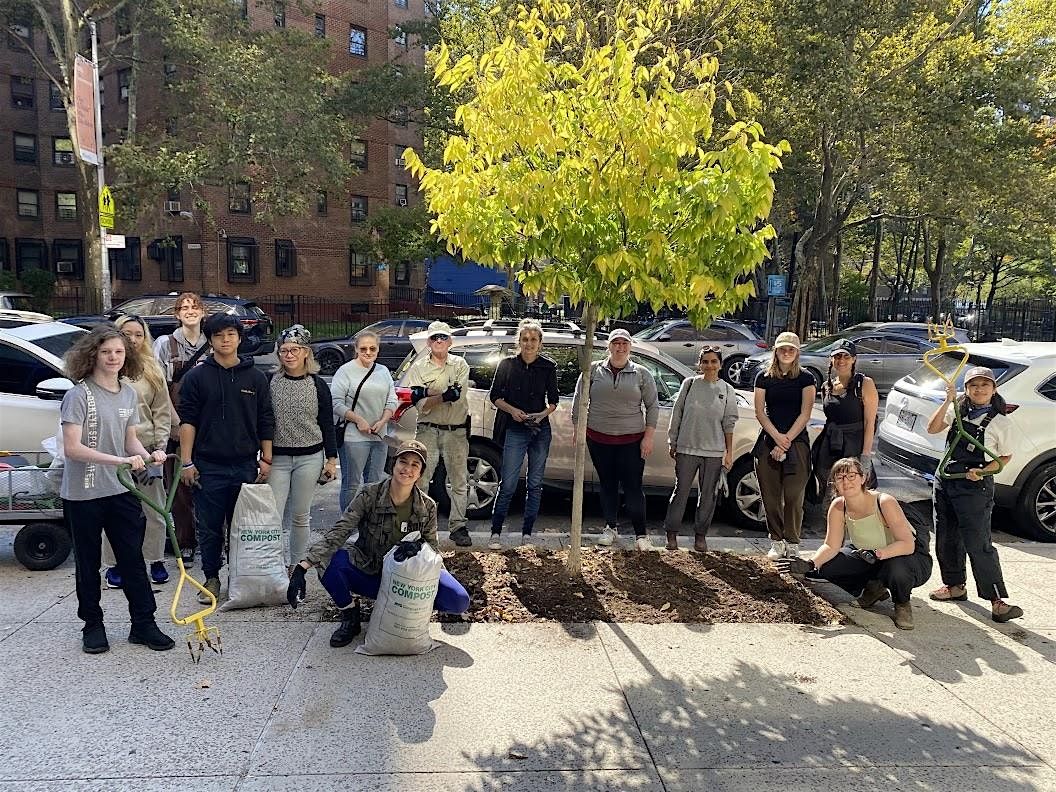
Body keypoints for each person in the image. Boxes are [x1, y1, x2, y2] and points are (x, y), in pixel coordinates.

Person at [286, 440, 470, 647]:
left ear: (420, 473)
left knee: (458, 600)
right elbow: (341, 530)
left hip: (406, 580)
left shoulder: (427, 506)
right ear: (393, 464)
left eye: (414, 465)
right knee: (330, 562)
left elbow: (433, 548)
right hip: (371, 572)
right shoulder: (369, 495)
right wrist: (303, 567)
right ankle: (350, 615)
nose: (407, 469)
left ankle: (409, 610)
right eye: (403, 461)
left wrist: (419, 549)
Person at [60, 327, 174, 654]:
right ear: (93, 354)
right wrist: (121, 460)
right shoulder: (78, 395)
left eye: (119, 352)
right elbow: (72, 448)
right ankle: (93, 625)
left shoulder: (127, 393)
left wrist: (148, 453)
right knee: (88, 562)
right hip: (82, 495)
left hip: (120, 490)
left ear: (128, 357)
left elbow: (130, 441)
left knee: (132, 559)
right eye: (107, 351)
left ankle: (144, 624)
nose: (113, 357)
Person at [178, 313, 275, 605]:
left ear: (239, 338)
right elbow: (188, 421)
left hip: (245, 464)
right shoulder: (197, 377)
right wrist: (186, 462)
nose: (226, 340)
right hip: (208, 466)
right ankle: (211, 577)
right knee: (209, 528)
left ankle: (240, 577)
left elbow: (265, 419)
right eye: (219, 335)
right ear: (210, 340)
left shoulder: (256, 377)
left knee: (243, 527)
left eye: (231, 334)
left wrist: (266, 458)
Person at [780, 457, 932, 631]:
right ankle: (874, 588)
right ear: (834, 484)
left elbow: (907, 544)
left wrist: (878, 554)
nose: (846, 481)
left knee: (897, 568)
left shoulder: (884, 502)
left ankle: (902, 603)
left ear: (863, 478)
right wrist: (810, 563)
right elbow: (831, 545)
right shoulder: (838, 506)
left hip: (906, 557)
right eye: (840, 477)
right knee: (827, 567)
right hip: (869, 556)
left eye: (851, 475)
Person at [925, 366, 1022, 623]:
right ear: (966, 389)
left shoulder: (1001, 421)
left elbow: (1004, 457)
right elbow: (932, 428)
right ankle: (955, 585)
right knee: (946, 537)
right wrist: (947, 400)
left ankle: (997, 600)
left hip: (974, 488)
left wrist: (981, 471)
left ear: (993, 389)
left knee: (978, 543)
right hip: (946, 481)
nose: (979, 390)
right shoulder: (956, 410)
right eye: (973, 385)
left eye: (984, 385)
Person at [101, 315, 175, 589]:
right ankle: (114, 564)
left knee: (155, 510)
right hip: (112, 455)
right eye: (126, 333)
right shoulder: (106, 368)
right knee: (114, 512)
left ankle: (154, 559)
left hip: (146, 451)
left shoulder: (151, 369)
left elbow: (162, 411)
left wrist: (159, 447)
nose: (132, 339)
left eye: (138, 334)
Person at [571, 328, 659, 551]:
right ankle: (610, 527)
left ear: (630, 347)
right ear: (608, 346)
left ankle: (641, 535)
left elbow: (652, 406)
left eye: (624, 343)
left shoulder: (641, 373)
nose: (620, 347)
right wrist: (577, 429)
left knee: (633, 487)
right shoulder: (592, 371)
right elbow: (578, 402)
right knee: (607, 485)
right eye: (615, 343)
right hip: (599, 439)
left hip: (632, 441)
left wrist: (648, 437)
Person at [269, 325, 338, 567]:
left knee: (300, 515)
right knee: (274, 515)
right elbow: (264, 420)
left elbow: (327, 422)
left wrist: (331, 459)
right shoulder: (272, 382)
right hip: (278, 457)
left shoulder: (317, 385)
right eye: (284, 350)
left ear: (306, 352)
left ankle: (296, 564)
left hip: (310, 456)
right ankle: (273, 565)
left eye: (294, 350)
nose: (289, 355)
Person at [487, 319, 559, 548]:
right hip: (515, 428)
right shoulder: (507, 364)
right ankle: (495, 532)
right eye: (525, 339)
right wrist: (513, 411)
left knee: (535, 483)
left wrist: (541, 414)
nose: (529, 344)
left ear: (540, 343)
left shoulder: (549, 367)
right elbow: (495, 396)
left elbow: (554, 401)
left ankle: (527, 532)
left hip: (540, 429)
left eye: (533, 340)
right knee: (507, 483)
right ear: (519, 341)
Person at [404, 320, 473, 547]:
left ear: (450, 341)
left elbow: (458, 396)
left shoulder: (461, 364)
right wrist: (441, 395)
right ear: (429, 342)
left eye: (443, 337)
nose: (439, 341)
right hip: (427, 430)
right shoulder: (418, 367)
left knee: (459, 481)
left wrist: (429, 392)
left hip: (456, 432)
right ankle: (420, 528)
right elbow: (420, 404)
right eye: (435, 338)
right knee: (421, 479)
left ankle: (458, 526)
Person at [153, 292, 210, 567]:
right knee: (180, 490)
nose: (190, 311)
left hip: (209, 428)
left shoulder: (212, 343)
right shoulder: (166, 345)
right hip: (176, 425)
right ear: (177, 314)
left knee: (210, 487)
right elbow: (161, 390)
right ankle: (186, 543)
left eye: (194, 307)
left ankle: (215, 542)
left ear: (203, 313)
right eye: (184, 308)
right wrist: (174, 424)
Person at [663, 345, 738, 552]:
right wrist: (673, 440)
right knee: (681, 492)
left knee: (708, 496)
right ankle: (671, 534)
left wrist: (728, 453)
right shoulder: (689, 385)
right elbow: (677, 413)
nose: (709, 365)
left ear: (720, 364)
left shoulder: (727, 390)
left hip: (713, 452)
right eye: (705, 361)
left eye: (714, 361)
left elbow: (729, 423)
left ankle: (700, 535)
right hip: (687, 448)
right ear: (699, 364)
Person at [753, 331, 816, 560]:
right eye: (782, 348)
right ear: (776, 351)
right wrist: (777, 438)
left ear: (797, 352)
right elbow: (760, 411)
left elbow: (805, 412)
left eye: (791, 349)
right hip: (769, 440)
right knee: (770, 496)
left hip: (796, 442)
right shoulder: (763, 377)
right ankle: (776, 540)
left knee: (793, 496)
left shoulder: (806, 378)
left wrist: (787, 439)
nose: (786, 352)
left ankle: (792, 541)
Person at [331, 330, 396, 512]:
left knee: (374, 484)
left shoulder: (383, 371)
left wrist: (383, 420)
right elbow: (336, 403)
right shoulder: (345, 371)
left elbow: (392, 400)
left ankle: (368, 528)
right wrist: (358, 420)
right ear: (356, 349)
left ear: (378, 349)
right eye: (364, 348)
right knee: (351, 484)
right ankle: (346, 526)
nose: (368, 352)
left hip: (379, 436)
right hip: (353, 437)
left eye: (372, 348)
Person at [812, 339, 879, 500]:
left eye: (846, 357)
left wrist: (865, 456)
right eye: (837, 356)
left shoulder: (864, 384)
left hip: (854, 447)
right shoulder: (827, 386)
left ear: (854, 359)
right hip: (830, 447)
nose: (841, 361)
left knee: (853, 491)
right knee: (830, 490)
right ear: (831, 359)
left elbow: (870, 422)